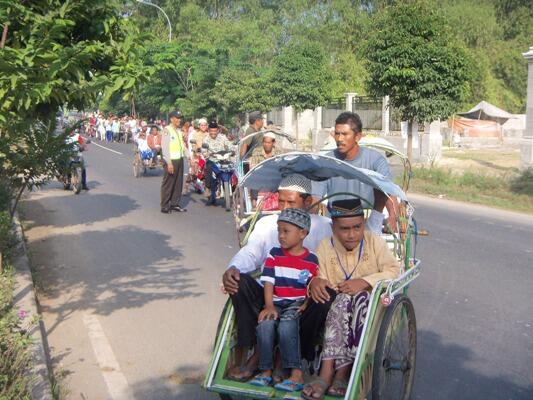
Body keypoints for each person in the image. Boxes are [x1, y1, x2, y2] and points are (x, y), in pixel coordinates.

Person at [223, 174, 333, 382]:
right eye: (281, 201)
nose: (284, 207)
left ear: (308, 202)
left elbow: (332, 262)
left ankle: (291, 360)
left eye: (291, 202)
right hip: (270, 294)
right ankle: (256, 352)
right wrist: (234, 268)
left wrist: (319, 281)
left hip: (302, 300)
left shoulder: (323, 226)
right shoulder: (267, 224)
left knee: (325, 294)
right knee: (239, 282)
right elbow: (252, 251)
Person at [301, 199, 400, 400]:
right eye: (345, 229)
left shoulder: (374, 242)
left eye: (357, 227)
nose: (352, 234)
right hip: (337, 308)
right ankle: (328, 371)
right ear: (333, 227)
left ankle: (343, 372)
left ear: (364, 223)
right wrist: (316, 281)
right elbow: (318, 276)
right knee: (342, 300)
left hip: (371, 308)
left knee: (360, 298)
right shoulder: (325, 247)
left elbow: (394, 270)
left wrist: (364, 281)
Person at [249, 208, 317, 392]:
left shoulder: (312, 260)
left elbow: (312, 285)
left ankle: (295, 372)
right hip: (276, 301)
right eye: (279, 231)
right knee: (265, 324)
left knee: (287, 327)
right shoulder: (274, 255)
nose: (281, 236)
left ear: (302, 233)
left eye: (286, 231)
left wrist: (306, 303)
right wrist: (269, 306)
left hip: (296, 304)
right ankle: (265, 371)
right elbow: (269, 282)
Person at [320, 111, 398, 233]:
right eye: (337, 134)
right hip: (335, 223)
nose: (340, 139)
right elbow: (315, 196)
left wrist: (393, 217)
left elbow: (388, 191)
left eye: (345, 134)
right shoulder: (326, 161)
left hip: (368, 221)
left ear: (357, 137)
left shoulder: (376, 160)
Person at [160, 111, 187, 214]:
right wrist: (169, 163)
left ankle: (175, 203)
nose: (179, 120)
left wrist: (189, 157)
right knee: (168, 183)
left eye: (180, 118)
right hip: (170, 160)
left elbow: (182, 146)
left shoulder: (179, 131)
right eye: (177, 118)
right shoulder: (167, 130)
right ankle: (165, 205)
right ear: (171, 119)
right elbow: (165, 148)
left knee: (178, 183)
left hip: (179, 159)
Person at [203, 120, 234, 206]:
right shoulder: (206, 139)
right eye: (211, 131)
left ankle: (232, 192)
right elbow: (204, 151)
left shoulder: (223, 137)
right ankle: (208, 188)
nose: (213, 132)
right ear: (209, 130)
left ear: (218, 130)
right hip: (213, 160)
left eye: (215, 130)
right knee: (208, 166)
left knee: (233, 170)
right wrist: (207, 154)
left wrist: (232, 150)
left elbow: (229, 145)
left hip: (223, 160)